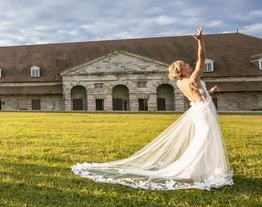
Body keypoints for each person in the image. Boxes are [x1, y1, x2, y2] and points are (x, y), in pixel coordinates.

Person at [72, 27, 233, 190]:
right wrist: (200, 41)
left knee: (204, 138)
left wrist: (210, 91)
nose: (188, 64)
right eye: (185, 64)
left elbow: (198, 96)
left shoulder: (180, 83)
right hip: (204, 111)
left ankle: (200, 169)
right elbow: (202, 58)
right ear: (180, 70)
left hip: (199, 110)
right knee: (205, 139)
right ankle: (192, 170)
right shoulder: (192, 79)